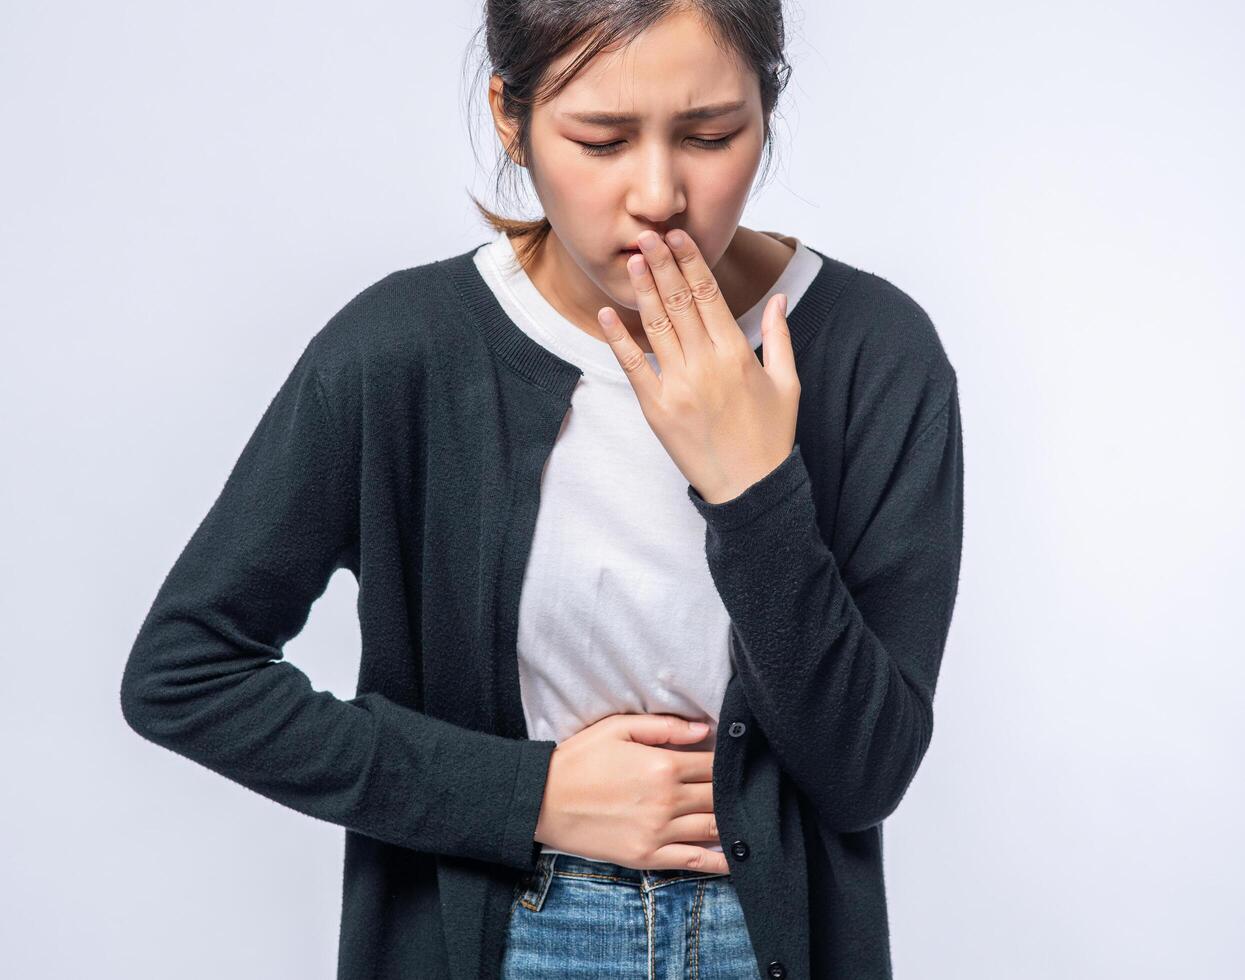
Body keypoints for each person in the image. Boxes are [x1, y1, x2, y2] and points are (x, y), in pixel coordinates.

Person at [120, 2, 964, 979]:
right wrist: (529, 794)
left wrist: (752, 488)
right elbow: (184, 672)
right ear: (510, 119)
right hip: (500, 936)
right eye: (601, 138)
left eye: (710, 133)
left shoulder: (876, 353)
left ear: (768, 111)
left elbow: (865, 773)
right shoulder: (403, 351)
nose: (660, 193)